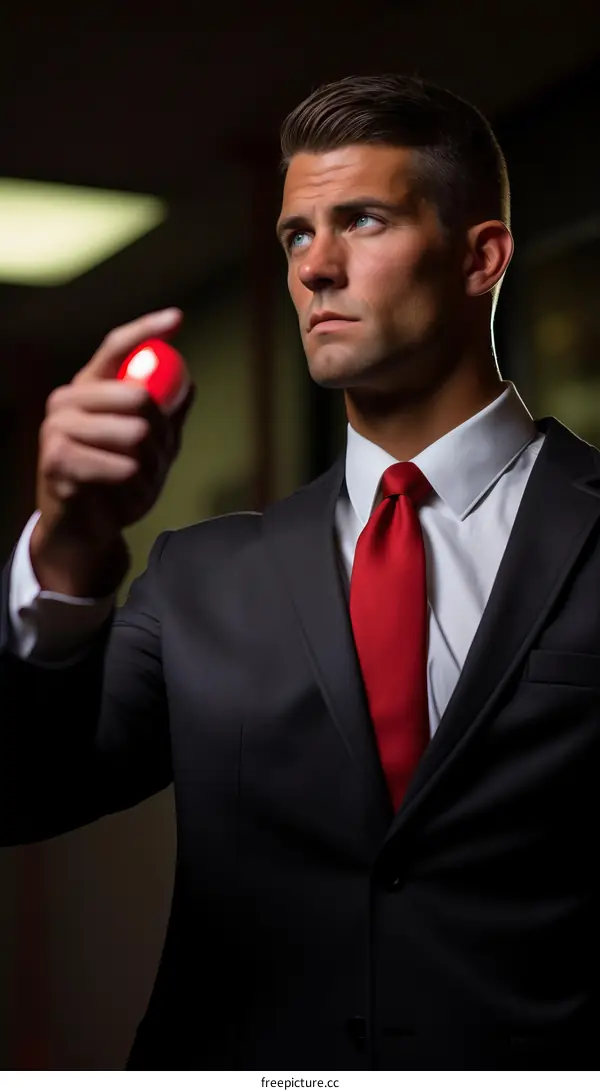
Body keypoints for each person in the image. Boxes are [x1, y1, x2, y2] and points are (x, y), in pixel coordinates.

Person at [1, 72, 599, 1072]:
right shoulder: (199, 577)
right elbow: (21, 792)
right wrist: (67, 553)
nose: (316, 268)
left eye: (361, 221)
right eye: (295, 236)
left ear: (480, 256)